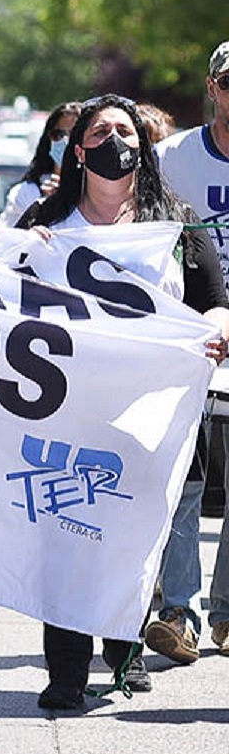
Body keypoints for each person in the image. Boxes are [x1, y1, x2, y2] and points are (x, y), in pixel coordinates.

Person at [18, 94, 229, 709]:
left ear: (143, 146)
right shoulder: (45, 227)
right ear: (78, 149)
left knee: (133, 537)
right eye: (102, 131)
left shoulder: (177, 225)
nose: (116, 141)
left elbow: (212, 298)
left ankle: (124, 649)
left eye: (126, 131)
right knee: (67, 534)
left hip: (148, 419)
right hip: (66, 412)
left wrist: (215, 330)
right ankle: (64, 671)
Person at [149, 40, 229, 667]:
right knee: (187, 480)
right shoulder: (170, 160)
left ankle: (227, 609)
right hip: (188, 338)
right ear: (211, 87)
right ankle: (181, 610)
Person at [0, 102, 81, 229]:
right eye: (58, 135)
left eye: (74, 134)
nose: (65, 141)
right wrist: (46, 206)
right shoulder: (26, 193)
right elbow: (5, 240)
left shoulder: (98, 194)